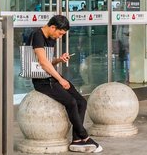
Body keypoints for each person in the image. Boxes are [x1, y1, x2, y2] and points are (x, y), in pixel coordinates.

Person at [30, 15, 102, 153]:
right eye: (60, 33)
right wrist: (60, 79)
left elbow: (48, 62)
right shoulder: (37, 35)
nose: (60, 37)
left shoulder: (50, 38)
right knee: (71, 102)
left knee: (81, 102)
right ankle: (84, 136)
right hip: (41, 81)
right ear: (52, 27)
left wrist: (59, 60)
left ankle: (77, 140)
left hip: (50, 77)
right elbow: (43, 63)